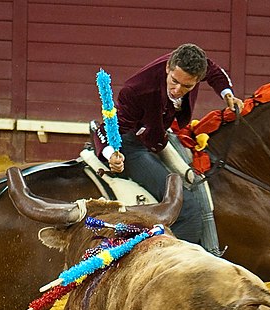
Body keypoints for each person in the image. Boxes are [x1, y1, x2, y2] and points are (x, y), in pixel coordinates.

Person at [100, 43, 244, 245]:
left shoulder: (190, 64)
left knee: (197, 179)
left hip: (160, 135)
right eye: (174, 81)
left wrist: (227, 93)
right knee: (187, 209)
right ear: (168, 67)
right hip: (133, 145)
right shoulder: (137, 89)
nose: (178, 90)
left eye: (187, 86)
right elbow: (115, 128)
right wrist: (111, 154)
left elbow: (213, 71)